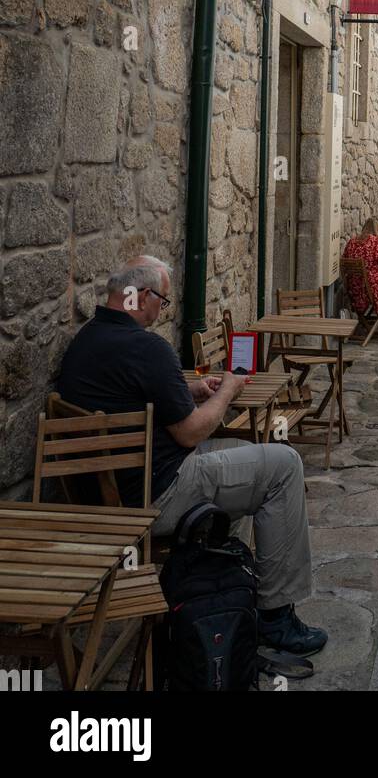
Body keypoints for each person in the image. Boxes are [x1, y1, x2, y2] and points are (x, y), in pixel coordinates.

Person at [57, 254, 327, 657]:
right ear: (142, 296)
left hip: (107, 494)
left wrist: (191, 389)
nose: (161, 311)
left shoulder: (87, 341)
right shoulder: (147, 348)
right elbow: (190, 432)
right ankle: (274, 617)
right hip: (156, 495)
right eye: (163, 301)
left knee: (246, 455)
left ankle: (222, 589)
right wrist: (227, 391)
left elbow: (137, 394)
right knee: (284, 466)